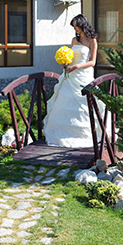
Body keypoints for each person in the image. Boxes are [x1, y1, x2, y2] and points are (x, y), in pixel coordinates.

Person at [43, 14, 99, 148]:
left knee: (83, 104)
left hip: (83, 74)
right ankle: (61, 134)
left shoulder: (92, 40)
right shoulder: (74, 40)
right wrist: (65, 63)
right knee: (63, 102)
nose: (75, 29)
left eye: (76, 26)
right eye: (74, 27)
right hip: (70, 75)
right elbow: (71, 56)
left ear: (82, 25)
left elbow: (92, 62)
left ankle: (86, 134)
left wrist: (77, 67)